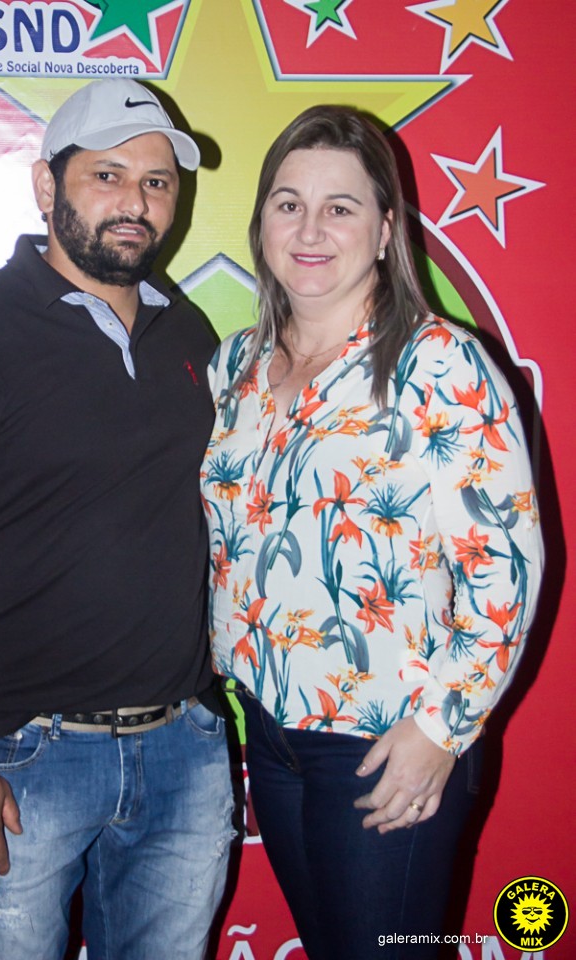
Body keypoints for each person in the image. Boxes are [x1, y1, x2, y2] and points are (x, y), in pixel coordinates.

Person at [0, 78, 234, 960]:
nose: (135, 202)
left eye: (157, 182)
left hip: (185, 751)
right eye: (107, 175)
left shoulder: (188, 335)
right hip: (22, 760)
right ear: (46, 184)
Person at [201, 106, 543, 959]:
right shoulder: (233, 367)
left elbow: (504, 565)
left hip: (387, 737)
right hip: (268, 731)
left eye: (340, 207)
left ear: (386, 229)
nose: (310, 229)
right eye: (288, 204)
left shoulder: (439, 363)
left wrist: (440, 730)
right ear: (261, 223)